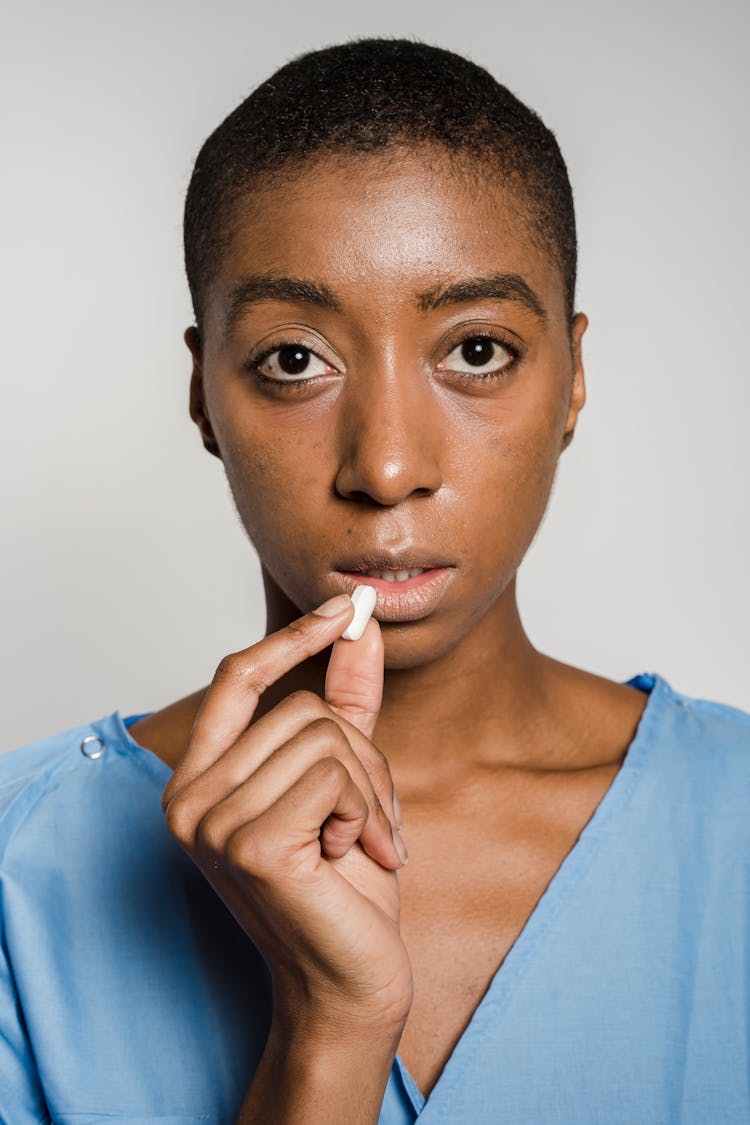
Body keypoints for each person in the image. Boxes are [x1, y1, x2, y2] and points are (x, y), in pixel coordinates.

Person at [1, 36, 748, 1125]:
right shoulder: (20, 876)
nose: (387, 466)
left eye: (477, 351)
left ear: (573, 378)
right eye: (294, 360)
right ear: (205, 396)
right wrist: (328, 1026)